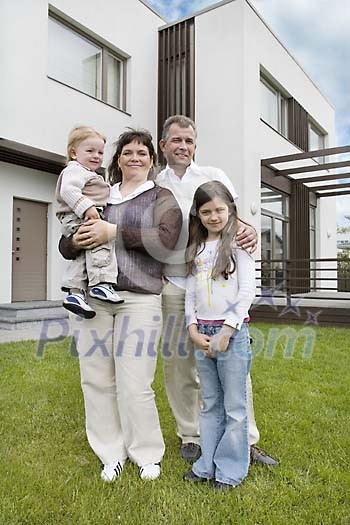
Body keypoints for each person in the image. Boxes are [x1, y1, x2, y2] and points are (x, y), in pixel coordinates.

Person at [59, 129, 182, 482]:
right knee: (95, 378)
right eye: (127, 152)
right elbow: (68, 243)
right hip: (94, 299)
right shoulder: (99, 193)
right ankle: (109, 452)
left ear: (151, 160)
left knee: (135, 381)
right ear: (118, 160)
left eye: (142, 152)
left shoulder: (162, 196)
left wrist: (113, 232)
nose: (134, 157)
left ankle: (145, 453)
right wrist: (74, 240)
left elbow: (166, 240)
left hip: (139, 298)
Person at [157, 115, 278, 466]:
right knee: (179, 366)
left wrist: (250, 228)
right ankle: (191, 435)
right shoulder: (155, 185)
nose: (183, 146)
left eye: (190, 141)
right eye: (176, 140)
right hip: (174, 285)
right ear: (163, 145)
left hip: (218, 286)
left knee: (234, 364)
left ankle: (246, 438)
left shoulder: (213, 176)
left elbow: (236, 221)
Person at [183, 181, 256, 491]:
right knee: (210, 403)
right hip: (202, 333)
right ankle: (206, 465)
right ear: (198, 216)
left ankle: (230, 470)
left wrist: (227, 331)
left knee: (234, 407)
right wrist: (192, 329)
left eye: (219, 210)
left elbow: (247, 291)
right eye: (206, 212)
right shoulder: (197, 249)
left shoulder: (241, 246)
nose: (213, 217)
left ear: (231, 211)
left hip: (231, 335)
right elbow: (190, 293)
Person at [56, 126, 123, 319]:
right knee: (100, 242)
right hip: (79, 215)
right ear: (73, 152)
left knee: (83, 254)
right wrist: (88, 208)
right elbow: (68, 191)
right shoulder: (74, 170)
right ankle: (101, 283)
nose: (96, 156)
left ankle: (75, 292)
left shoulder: (85, 172)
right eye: (90, 151)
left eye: (100, 152)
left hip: (77, 216)